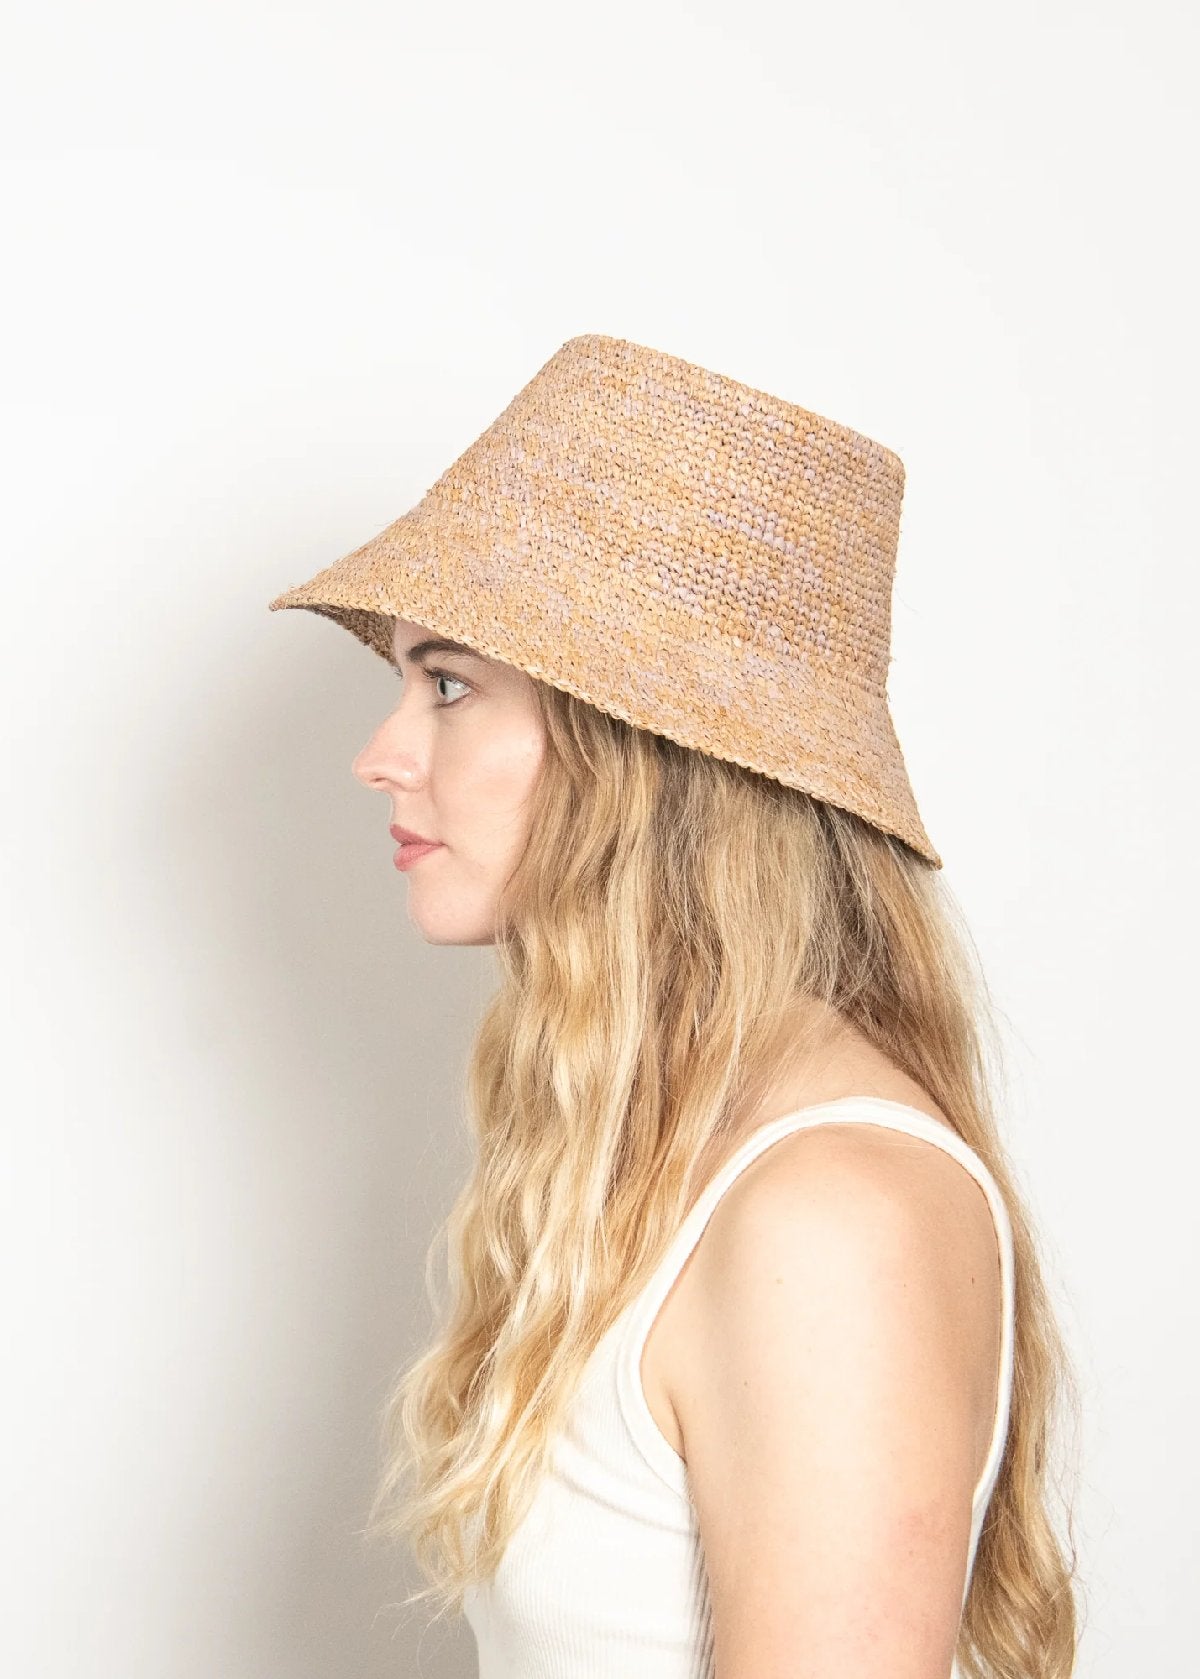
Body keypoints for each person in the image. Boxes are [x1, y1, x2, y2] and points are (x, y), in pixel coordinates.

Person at [268, 333, 1080, 1678]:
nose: (382, 754)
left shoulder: (831, 1213)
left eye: (449, 683)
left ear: (639, 749)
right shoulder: (660, 1148)